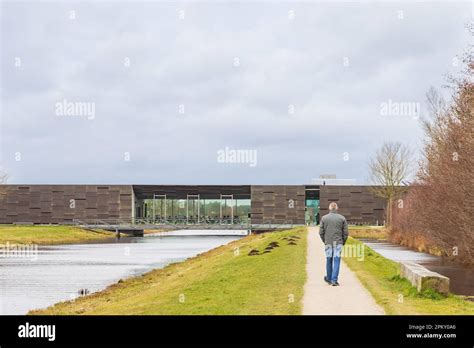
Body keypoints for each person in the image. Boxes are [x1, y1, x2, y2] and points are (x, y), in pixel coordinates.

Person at [319, 202, 348, 286]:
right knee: (336, 260)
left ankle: (328, 278)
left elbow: (321, 232)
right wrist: (343, 242)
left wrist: (325, 240)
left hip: (328, 243)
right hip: (338, 243)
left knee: (329, 260)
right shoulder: (342, 218)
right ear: (337, 208)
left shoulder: (324, 218)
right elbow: (345, 232)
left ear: (329, 208)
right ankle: (334, 280)